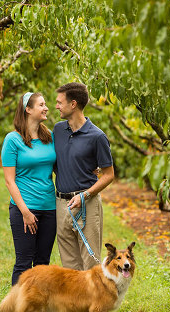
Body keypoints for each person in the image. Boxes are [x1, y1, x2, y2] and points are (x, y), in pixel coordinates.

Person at [53, 82, 114, 271]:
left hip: (87, 203)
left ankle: (94, 302)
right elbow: (57, 163)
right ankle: (75, 302)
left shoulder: (97, 137)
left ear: (73, 104)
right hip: (62, 203)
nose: (56, 106)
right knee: (69, 265)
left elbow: (109, 175)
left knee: (91, 265)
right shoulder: (57, 130)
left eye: (59, 102)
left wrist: (84, 195)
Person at [1, 92, 57, 286]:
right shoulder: (12, 140)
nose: (46, 108)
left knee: (43, 264)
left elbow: (63, 165)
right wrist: (25, 212)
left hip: (50, 208)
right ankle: (19, 309)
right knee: (24, 264)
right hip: (25, 208)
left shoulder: (49, 136)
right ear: (28, 109)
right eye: (41, 104)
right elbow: (9, 181)